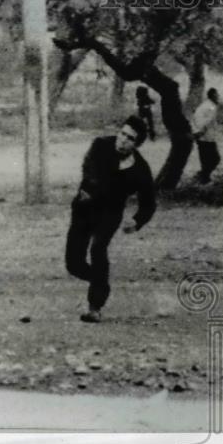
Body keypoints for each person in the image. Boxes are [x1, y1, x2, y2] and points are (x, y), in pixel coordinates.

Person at [65, 116, 156, 323]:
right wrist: (90, 189)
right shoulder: (101, 145)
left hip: (110, 214)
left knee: (98, 249)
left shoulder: (140, 169)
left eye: (130, 138)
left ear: (137, 143)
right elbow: (89, 168)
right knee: (73, 264)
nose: (122, 140)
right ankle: (101, 282)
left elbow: (149, 202)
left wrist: (137, 220)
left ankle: (95, 306)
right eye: (122, 133)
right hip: (84, 207)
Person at [191, 88, 221, 185]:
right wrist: (202, 131)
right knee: (215, 159)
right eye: (217, 95)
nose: (218, 97)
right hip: (207, 137)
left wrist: (196, 131)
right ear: (212, 96)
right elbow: (207, 121)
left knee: (205, 159)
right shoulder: (211, 107)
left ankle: (204, 177)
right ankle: (204, 177)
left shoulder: (204, 105)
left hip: (201, 136)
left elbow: (195, 116)